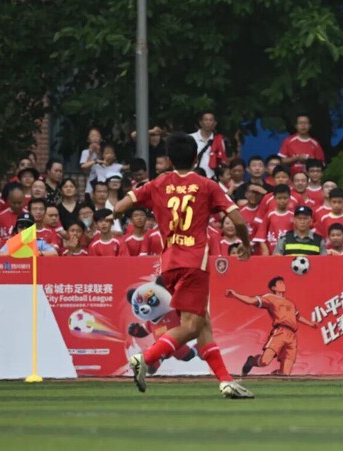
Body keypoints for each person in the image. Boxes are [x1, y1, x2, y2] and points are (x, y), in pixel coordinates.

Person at [110, 131, 254, 399]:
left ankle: (225, 381)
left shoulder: (157, 183)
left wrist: (127, 211)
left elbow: (119, 207)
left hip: (169, 264)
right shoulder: (207, 185)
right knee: (191, 327)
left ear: (168, 159)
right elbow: (238, 220)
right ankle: (146, 358)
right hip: (194, 263)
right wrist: (246, 244)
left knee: (202, 323)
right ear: (196, 158)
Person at [225, 276, 318, 376]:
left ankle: (275, 374)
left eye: (283, 283)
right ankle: (251, 361)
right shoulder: (270, 297)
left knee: (285, 374)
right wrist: (235, 295)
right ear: (273, 288)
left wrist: (310, 324)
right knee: (264, 361)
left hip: (292, 336)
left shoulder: (290, 303)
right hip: (280, 332)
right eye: (280, 283)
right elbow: (251, 300)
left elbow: (297, 316)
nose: (283, 284)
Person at [253, 184, 294, 255]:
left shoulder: (293, 215)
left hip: (288, 252)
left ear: (289, 198)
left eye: (285, 198)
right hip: (271, 251)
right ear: (274, 198)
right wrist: (265, 249)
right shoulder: (269, 215)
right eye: (279, 198)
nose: (282, 201)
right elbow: (261, 234)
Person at [190, 111, 228, 178]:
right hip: (193, 176)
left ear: (215, 123)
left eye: (210, 120)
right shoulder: (191, 138)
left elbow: (222, 160)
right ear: (200, 122)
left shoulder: (219, 140)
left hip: (212, 177)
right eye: (206, 120)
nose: (208, 122)